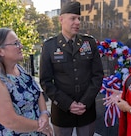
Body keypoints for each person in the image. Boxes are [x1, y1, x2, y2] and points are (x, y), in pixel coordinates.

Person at [39, 1, 104, 136]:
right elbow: (45, 81)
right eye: (73, 18)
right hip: (62, 112)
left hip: (86, 110)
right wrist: (68, 104)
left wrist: (85, 102)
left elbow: (97, 75)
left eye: (79, 19)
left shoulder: (89, 42)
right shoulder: (50, 46)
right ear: (61, 20)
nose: (77, 22)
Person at [0, 28, 53, 136]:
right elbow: (11, 121)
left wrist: (44, 113)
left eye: (19, 42)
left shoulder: (18, 68)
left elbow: (37, 93)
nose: (21, 46)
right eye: (16, 43)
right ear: (0, 51)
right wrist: (42, 126)